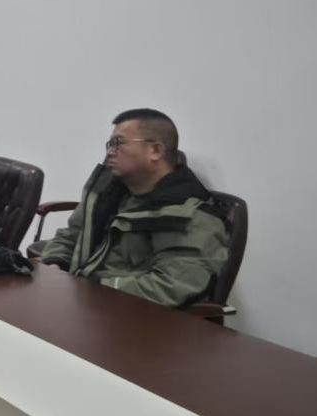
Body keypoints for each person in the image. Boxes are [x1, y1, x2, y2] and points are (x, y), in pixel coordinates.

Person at [39, 108, 229, 308]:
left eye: (118, 143)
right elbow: (72, 235)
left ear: (155, 151)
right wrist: (55, 263)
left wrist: (95, 289)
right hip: (83, 301)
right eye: (109, 144)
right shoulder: (110, 192)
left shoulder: (189, 214)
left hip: (129, 315)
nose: (109, 152)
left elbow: (170, 285)